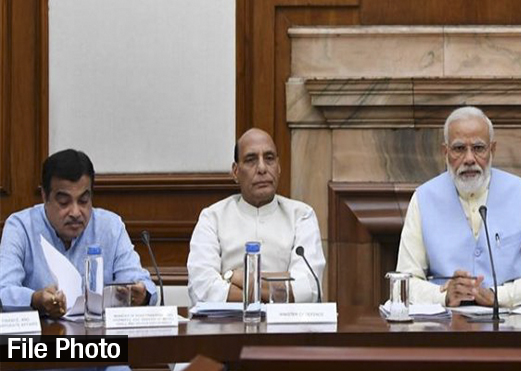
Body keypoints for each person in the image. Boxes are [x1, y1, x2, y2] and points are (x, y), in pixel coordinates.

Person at [396, 106, 521, 308]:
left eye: (478, 148)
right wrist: (444, 296)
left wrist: (500, 296)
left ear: (492, 150)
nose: (469, 159)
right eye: (459, 149)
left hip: (511, 329)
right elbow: (403, 283)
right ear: (445, 152)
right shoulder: (423, 198)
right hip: (445, 330)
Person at [0, 149, 157, 317]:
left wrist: (142, 295)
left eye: (83, 201)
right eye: (64, 202)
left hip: (101, 339)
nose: (75, 212)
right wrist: (34, 299)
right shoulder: (21, 227)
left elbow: (142, 284)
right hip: (41, 340)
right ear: (45, 197)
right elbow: (3, 290)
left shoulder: (110, 227)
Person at [187, 128, 325, 305]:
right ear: (236, 172)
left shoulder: (302, 216)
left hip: (286, 330)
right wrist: (281, 284)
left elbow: (308, 288)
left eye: (269, 159)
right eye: (251, 160)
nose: (262, 168)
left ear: (279, 166)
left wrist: (234, 277)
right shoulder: (212, 218)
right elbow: (202, 289)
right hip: (227, 327)